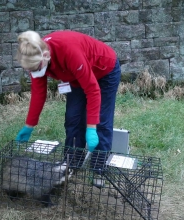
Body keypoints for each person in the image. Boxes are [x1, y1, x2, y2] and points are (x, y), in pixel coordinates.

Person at [15, 30, 121, 188]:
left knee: (101, 121)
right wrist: (29, 125)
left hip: (104, 70)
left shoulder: (69, 52)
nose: (34, 73)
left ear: (46, 56)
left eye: (36, 69)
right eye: (31, 70)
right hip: (74, 77)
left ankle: (98, 167)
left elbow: (93, 90)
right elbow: (38, 93)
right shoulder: (34, 56)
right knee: (73, 118)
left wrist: (91, 127)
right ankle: (72, 162)